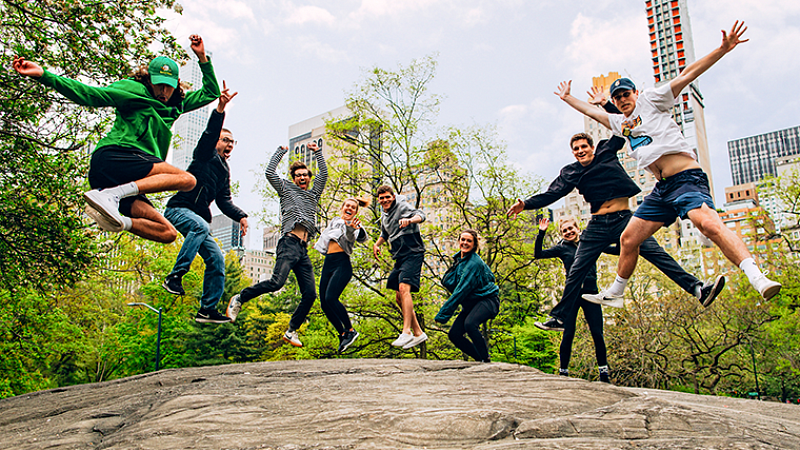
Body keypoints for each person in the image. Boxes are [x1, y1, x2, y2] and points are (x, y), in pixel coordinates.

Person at [555, 21, 780, 304]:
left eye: (626, 94)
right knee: (629, 239)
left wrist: (722, 50)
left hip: (686, 179)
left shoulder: (652, 99)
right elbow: (589, 109)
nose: (622, 99)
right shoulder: (619, 123)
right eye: (617, 97)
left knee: (708, 225)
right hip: (661, 191)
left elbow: (686, 75)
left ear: (635, 93)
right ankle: (616, 294)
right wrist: (567, 98)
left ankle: (757, 277)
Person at [507, 130, 723, 332]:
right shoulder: (571, 172)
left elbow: (620, 130)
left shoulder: (606, 151)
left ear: (592, 147)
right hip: (598, 224)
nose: (580, 151)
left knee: (656, 254)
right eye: (576, 149)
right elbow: (551, 194)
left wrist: (607, 105)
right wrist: (525, 205)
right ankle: (560, 318)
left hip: (625, 219)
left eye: (584, 147)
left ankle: (697, 289)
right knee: (576, 270)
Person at [12, 35, 220, 243]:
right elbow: (90, 94)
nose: (163, 92)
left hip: (125, 179)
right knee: (188, 180)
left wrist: (202, 57)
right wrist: (44, 75)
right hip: (116, 157)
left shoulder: (177, 104)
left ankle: (117, 218)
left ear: (176, 84)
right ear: (149, 79)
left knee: (167, 233)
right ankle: (110, 195)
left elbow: (211, 92)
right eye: (158, 85)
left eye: (168, 86)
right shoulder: (133, 90)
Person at [161, 82, 247, 324]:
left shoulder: (224, 170)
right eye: (225, 140)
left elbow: (224, 200)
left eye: (233, 142)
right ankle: (174, 277)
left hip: (198, 219)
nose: (229, 145)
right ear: (216, 142)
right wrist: (220, 108)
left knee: (217, 260)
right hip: (179, 210)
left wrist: (241, 215)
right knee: (201, 226)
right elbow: (210, 133)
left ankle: (207, 309)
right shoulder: (204, 154)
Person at [226, 143, 327, 348]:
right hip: (288, 243)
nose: (302, 178)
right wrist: (280, 152)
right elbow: (269, 173)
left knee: (310, 294)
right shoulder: (286, 189)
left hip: (303, 249)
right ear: (293, 178)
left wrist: (318, 153)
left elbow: (323, 176)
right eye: (298, 175)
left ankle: (291, 330)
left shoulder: (313, 195)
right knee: (276, 283)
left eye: (305, 175)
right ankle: (239, 298)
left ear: (308, 177)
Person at [534, 217, 610, 383]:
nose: (568, 232)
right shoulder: (562, 248)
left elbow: (610, 247)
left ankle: (604, 372)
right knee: (568, 333)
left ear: (577, 228)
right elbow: (538, 254)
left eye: (570, 229)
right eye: (564, 231)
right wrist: (541, 233)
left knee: (597, 333)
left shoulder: (589, 243)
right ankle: (564, 372)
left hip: (591, 293)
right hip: (572, 295)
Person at [373, 186, 428, 349]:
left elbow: (421, 215)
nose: (385, 200)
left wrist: (410, 220)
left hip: (413, 252)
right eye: (382, 198)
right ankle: (418, 332)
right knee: (399, 297)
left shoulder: (402, 206)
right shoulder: (384, 215)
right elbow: (385, 233)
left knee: (404, 289)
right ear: (379, 200)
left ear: (393, 197)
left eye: (387, 197)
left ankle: (406, 332)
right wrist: (377, 244)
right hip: (399, 257)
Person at [435, 230, 500, 363]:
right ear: (459, 241)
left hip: (487, 301)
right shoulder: (460, 260)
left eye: (469, 241)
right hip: (472, 304)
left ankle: (485, 359)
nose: (465, 243)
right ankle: (478, 359)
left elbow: (461, 290)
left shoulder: (473, 263)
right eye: (463, 239)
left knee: (470, 324)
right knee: (454, 335)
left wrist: (443, 314)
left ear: (474, 244)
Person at [314, 197, 369, 352]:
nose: (349, 208)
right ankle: (342, 333)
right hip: (328, 263)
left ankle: (351, 330)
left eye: (353, 207)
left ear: (356, 212)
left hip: (342, 263)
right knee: (324, 303)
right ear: (342, 207)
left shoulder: (355, 225)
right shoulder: (335, 221)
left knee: (331, 297)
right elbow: (325, 236)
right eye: (347, 206)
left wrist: (351, 228)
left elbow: (352, 237)